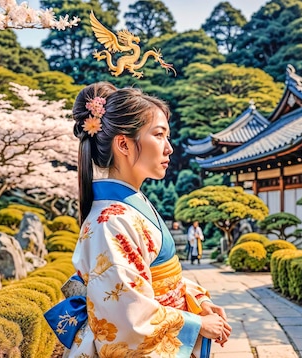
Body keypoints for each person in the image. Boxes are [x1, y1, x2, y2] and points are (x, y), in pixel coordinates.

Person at [45, 82, 231, 357]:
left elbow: (160, 277)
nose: (169, 148)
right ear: (123, 143)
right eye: (159, 135)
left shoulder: (128, 207)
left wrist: (198, 299)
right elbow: (128, 319)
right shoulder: (111, 222)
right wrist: (196, 323)